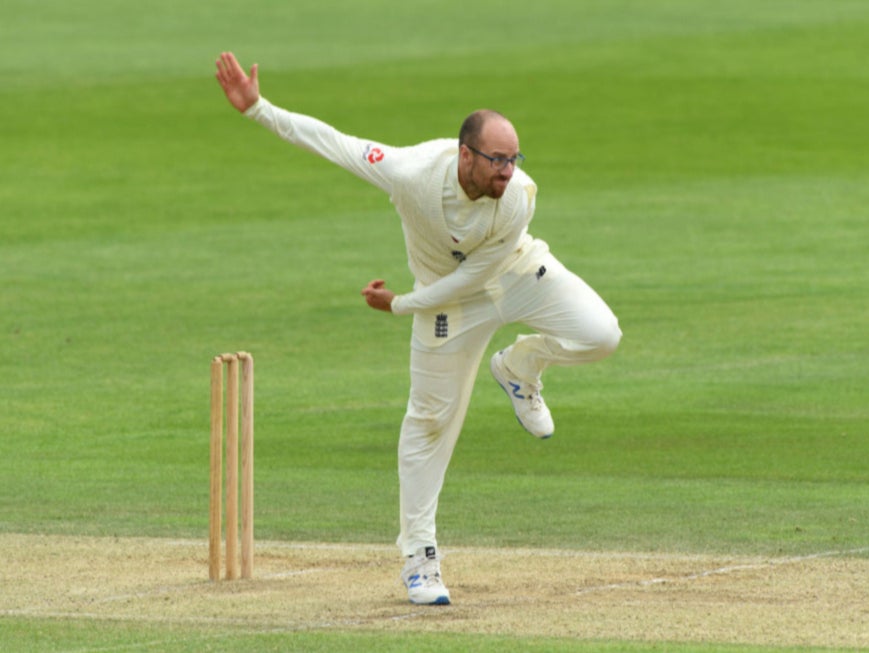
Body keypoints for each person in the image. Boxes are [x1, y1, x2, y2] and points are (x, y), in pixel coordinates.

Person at [215, 51, 622, 606]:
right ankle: (419, 559)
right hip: (446, 305)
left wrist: (401, 303)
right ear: (465, 154)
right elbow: (335, 143)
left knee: (601, 335)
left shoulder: (519, 196)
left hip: (516, 274)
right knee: (429, 421)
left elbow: (475, 274)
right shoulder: (410, 173)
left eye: (513, 158)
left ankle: (520, 367)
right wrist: (257, 108)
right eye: (497, 160)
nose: (508, 170)